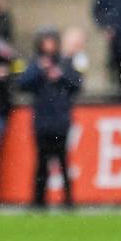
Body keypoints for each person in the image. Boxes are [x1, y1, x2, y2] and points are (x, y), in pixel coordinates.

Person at [17, 28, 81, 209]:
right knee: (41, 162)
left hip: (60, 121)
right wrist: (39, 69)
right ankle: (38, 200)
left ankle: (68, 200)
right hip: (42, 122)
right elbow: (22, 84)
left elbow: (77, 84)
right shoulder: (35, 64)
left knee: (62, 161)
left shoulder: (65, 63)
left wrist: (61, 75)